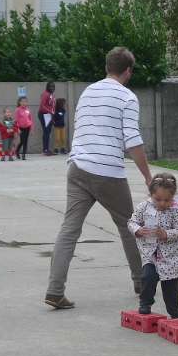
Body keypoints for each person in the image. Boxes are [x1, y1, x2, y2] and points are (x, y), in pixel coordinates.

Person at [45, 46, 154, 309]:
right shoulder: (127, 97)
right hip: (108, 173)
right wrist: (149, 177)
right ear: (127, 71)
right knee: (130, 226)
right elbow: (133, 140)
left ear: (106, 67)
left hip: (77, 169)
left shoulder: (87, 92)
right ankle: (141, 282)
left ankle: (54, 289)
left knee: (69, 229)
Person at [128, 173, 178, 319]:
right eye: (158, 199)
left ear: (173, 197)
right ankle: (145, 302)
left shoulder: (176, 210)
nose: (162, 203)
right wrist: (138, 230)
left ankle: (176, 314)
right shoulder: (143, 206)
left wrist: (165, 234)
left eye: (167, 200)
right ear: (151, 194)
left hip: (170, 257)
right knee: (148, 276)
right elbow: (131, 222)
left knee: (171, 286)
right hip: (150, 253)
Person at [40, 82, 56, 156]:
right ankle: (44, 150)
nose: (52, 88)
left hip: (49, 115)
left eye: (53, 86)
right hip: (44, 114)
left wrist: (53, 117)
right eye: (51, 86)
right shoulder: (45, 94)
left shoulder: (52, 95)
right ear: (47, 87)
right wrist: (50, 112)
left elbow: (52, 106)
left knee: (48, 132)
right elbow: (42, 106)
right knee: (46, 131)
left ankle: (46, 149)